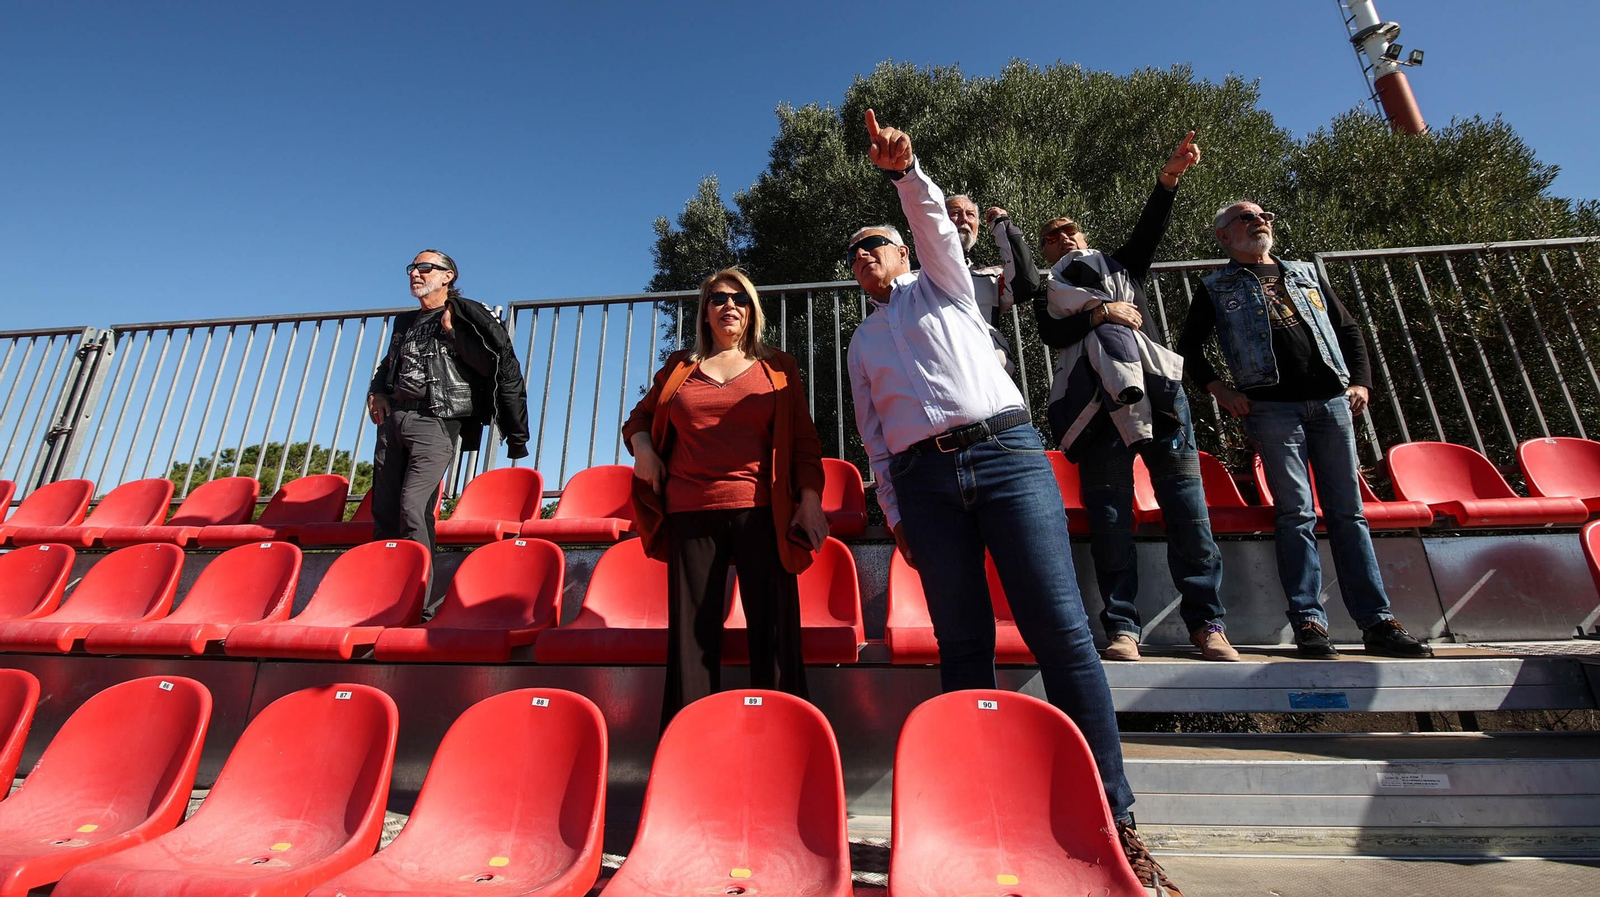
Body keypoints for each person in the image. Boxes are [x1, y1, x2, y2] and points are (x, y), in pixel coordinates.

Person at [845, 110, 1185, 895]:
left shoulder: (946, 283)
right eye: (853, 252)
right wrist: (895, 512)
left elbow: (935, 225)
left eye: (875, 243)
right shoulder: (861, 344)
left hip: (1006, 455)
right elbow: (874, 437)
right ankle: (982, 820)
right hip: (925, 485)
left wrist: (905, 175)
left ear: (904, 252)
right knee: (963, 646)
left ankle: (1114, 821)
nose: (863, 255)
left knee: (1060, 631)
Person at [990, 133, 1236, 664]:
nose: (1063, 238)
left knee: (1188, 511)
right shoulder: (1051, 291)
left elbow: (1151, 226)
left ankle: (1208, 623)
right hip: (1094, 406)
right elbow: (1053, 336)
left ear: (1084, 235)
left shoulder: (1123, 265)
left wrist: (1169, 178)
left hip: (1160, 395)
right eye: (1051, 236)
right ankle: (1123, 627)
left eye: (1069, 229)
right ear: (1046, 251)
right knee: (1110, 519)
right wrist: (1101, 314)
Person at [1176, 202, 1432, 658]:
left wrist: (1361, 382)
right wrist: (1221, 391)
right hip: (1271, 407)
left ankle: (1377, 621)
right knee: (1296, 513)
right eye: (1246, 217)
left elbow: (1348, 330)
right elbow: (1188, 348)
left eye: (1265, 215)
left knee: (1349, 512)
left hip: (1331, 401)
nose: (1260, 221)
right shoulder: (1216, 287)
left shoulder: (1303, 273)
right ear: (1223, 236)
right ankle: (1309, 622)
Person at [623, 267, 830, 729]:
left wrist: (810, 498)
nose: (729, 305)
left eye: (739, 298)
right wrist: (644, 451)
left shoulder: (779, 367)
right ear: (705, 312)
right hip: (690, 510)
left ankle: (785, 737)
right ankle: (687, 742)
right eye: (718, 298)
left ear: (752, 310)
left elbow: (804, 440)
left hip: (763, 511)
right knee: (691, 640)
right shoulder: (679, 367)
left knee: (775, 635)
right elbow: (638, 420)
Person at [367, 250, 529, 550]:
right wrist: (376, 391)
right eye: (412, 268)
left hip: (436, 418)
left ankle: (417, 576)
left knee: (413, 506)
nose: (415, 273)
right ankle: (384, 574)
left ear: (447, 276)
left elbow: (493, 365)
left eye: (425, 267)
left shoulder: (465, 314)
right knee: (385, 511)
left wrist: (453, 332)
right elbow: (389, 363)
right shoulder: (405, 321)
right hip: (394, 419)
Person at [946, 192, 1016, 373]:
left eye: (970, 214)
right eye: (955, 213)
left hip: (990, 368)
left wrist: (1002, 225)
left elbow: (1026, 280)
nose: (964, 219)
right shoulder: (915, 277)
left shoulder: (991, 277)